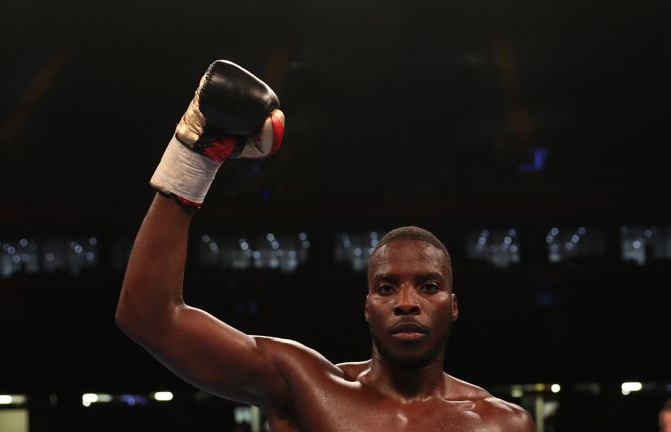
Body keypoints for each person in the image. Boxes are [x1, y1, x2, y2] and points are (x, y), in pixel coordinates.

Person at [115, 60, 534, 431]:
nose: (407, 302)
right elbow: (148, 317)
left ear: (453, 304)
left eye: (428, 286)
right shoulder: (306, 389)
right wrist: (194, 157)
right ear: (367, 305)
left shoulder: (502, 424)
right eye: (387, 287)